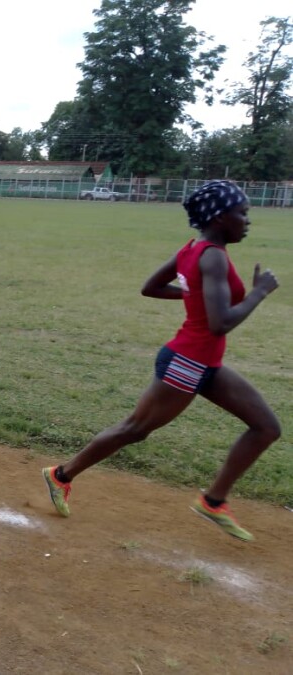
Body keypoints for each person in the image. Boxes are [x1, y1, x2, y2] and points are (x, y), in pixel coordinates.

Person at [42, 180, 280, 542]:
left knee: (266, 427)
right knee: (134, 430)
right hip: (187, 362)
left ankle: (213, 501)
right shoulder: (212, 255)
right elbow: (220, 323)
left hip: (204, 364)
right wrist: (259, 292)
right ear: (219, 217)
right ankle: (61, 475)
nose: (248, 221)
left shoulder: (193, 249)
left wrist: (195, 295)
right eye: (242, 213)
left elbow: (151, 287)